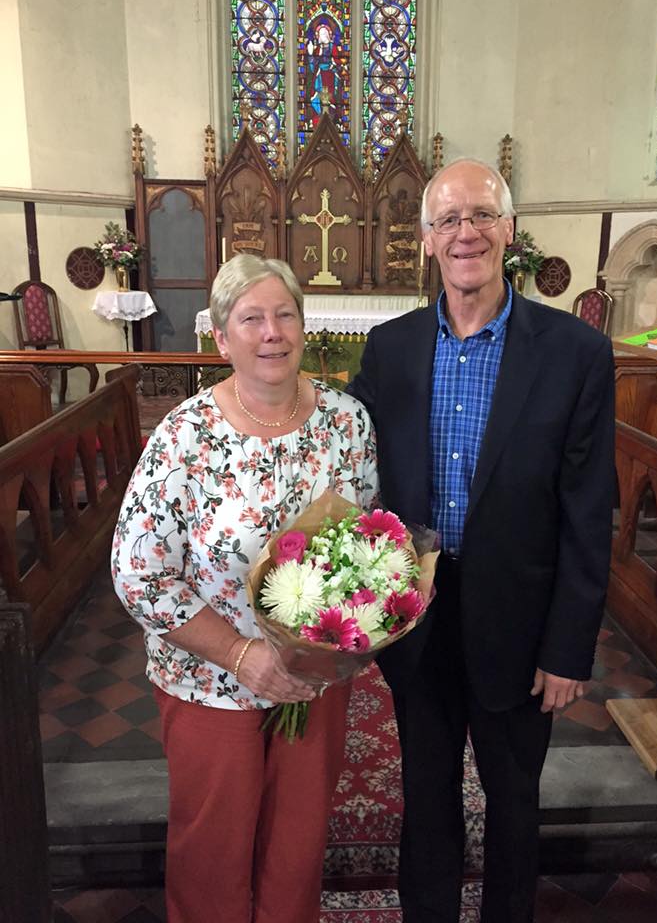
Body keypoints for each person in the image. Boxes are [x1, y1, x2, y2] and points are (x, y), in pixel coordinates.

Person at [348, 159, 615, 923]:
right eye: (448, 220)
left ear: (509, 231)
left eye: (481, 216)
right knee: (425, 797)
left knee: (513, 803)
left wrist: (569, 647)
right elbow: (360, 477)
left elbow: (589, 509)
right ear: (427, 240)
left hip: (522, 621)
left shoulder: (575, 353)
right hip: (419, 617)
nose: (465, 232)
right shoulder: (389, 347)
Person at [112, 253, 377, 923]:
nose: (272, 332)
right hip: (209, 681)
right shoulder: (185, 436)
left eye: (285, 314)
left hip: (312, 677)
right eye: (252, 318)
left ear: (303, 325)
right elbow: (138, 572)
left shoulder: (347, 423)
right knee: (213, 853)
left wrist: (320, 647)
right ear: (222, 338)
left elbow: (365, 550)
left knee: (297, 845)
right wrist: (240, 654)